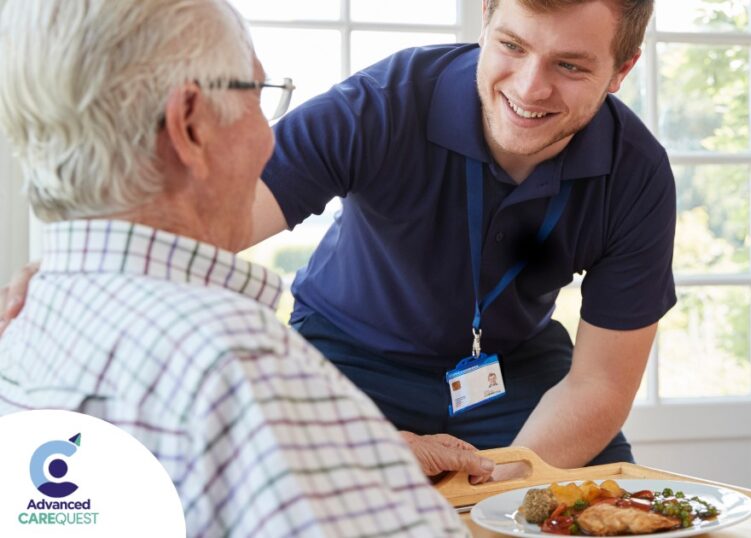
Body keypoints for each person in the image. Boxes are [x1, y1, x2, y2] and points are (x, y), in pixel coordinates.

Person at [1, 0, 676, 471]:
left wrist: (510, 488)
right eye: (512, 46)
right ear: (486, 20)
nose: (529, 87)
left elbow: (598, 384)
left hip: (515, 371)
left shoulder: (638, 173)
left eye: (571, 66)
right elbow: (208, 219)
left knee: (598, 509)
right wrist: (76, 269)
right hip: (348, 357)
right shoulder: (381, 105)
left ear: (622, 70)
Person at [0, 0, 480, 536]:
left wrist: (349, 455)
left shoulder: (24, 323)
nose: (271, 136)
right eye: (256, 95)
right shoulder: (237, 362)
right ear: (190, 125)